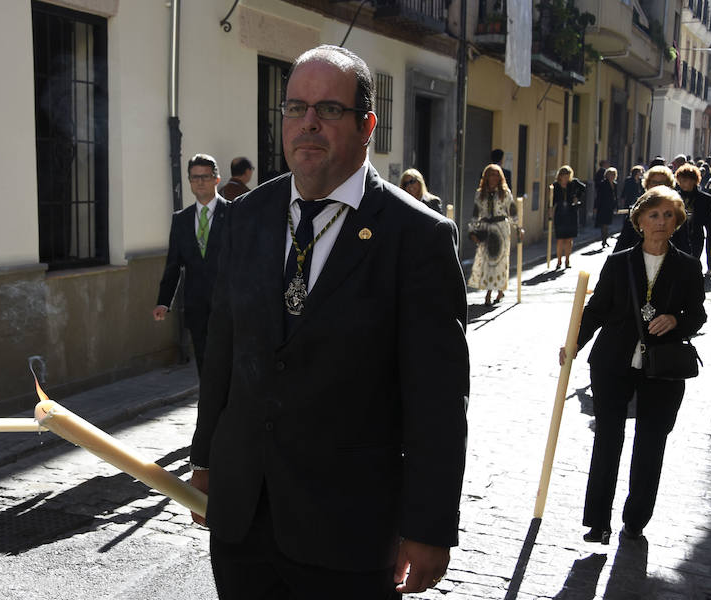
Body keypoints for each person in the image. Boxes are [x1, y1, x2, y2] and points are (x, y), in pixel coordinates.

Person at [188, 45, 469, 599]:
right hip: (245, 518)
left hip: (351, 531)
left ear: (367, 125)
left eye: (329, 110)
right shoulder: (245, 217)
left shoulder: (417, 237)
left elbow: (437, 399)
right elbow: (222, 350)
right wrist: (205, 459)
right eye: (295, 108)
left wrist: (429, 526)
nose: (308, 123)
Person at [560, 185, 706, 544]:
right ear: (640, 221)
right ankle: (598, 521)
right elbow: (595, 310)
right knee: (608, 439)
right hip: (613, 361)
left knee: (651, 441)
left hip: (665, 366)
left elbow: (698, 315)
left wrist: (676, 320)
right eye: (654, 215)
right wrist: (575, 343)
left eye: (668, 215)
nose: (660, 222)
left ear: (677, 222)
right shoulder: (619, 261)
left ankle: (636, 518)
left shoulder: (687, 267)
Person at [153, 153, 227, 375]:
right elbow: (173, 264)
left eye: (205, 176)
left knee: (227, 363)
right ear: (189, 182)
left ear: (216, 179)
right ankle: (209, 407)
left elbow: (245, 261)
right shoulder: (181, 219)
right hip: (197, 306)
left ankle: (230, 408)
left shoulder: (233, 213)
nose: (200, 182)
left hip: (228, 305)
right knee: (205, 365)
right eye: (195, 178)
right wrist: (163, 302)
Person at [468, 164, 518, 305]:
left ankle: (491, 293)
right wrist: (472, 230)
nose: (494, 178)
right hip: (486, 230)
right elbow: (475, 213)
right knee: (487, 262)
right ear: (486, 177)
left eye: (497, 175)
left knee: (499, 261)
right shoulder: (480, 194)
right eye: (491, 174)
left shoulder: (505, 193)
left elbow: (512, 210)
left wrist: (518, 227)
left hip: (501, 229)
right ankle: (496, 290)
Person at [614, 166, 691, 252]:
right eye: (654, 182)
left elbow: (684, 245)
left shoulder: (677, 211)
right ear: (647, 185)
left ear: (670, 186)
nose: (658, 186)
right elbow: (623, 242)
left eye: (663, 182)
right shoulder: (637, 210)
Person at [674, 163, 711, 276]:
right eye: (680, 180)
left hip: (696, 238)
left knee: (692, 266)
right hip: (676, 238)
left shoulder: (704, 199)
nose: (682, 183)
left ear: (694, 180)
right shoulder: (674, 198)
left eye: (685, 180)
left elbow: (709, 223)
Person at [552, 165, 585, 269]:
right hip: (560, 214)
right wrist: (550, 210)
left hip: (571, 213)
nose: (566, 179)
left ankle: (567, 260)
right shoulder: (555, 186)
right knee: (560, 239)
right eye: (564, 177)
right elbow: (552, 201)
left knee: (569, 239)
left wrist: (577, 197)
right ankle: (558, 261)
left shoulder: (573, 183)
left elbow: (583, 187)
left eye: (568, 177)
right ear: (560, 176)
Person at [594, 167, 618, 247]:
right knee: (604, 224)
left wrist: (616, 206)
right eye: (610, 174)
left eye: (613, 174)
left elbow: (615, 196)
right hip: (603, 206)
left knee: (607, 224)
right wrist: (596, 206)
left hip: (610, 206)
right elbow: (599, 196)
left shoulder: (615, 184)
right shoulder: (603, 184)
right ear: (607, 175)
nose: (612, 176)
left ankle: (605, 240)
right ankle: (604, 240)